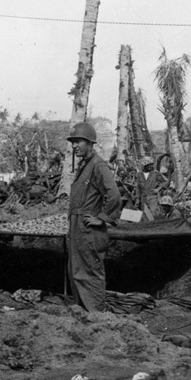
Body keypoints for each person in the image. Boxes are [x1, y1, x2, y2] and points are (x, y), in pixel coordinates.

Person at [66, 122, 122, 312]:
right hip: (77, 227)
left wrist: (103, 218)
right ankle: (83, 314)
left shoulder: (98, 165)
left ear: (90, 143)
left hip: (89, 229)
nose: (74, 146)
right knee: (76, 270)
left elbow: (113, 194)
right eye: (73, 142)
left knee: (89, 271)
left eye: (78, 141)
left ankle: (97, 317)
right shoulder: (85, 165)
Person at [136, 156, 168, 220]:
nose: (151, 166)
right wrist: (137, 199)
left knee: (154, 214)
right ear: (145, 165)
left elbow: (166, 181)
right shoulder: (139, 174)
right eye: (149, 165)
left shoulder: (155, 173)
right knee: (144, 216)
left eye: (152, 165)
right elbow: (138, 188)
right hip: (143, 198)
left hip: (152, 197)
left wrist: (158, 189)